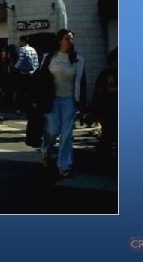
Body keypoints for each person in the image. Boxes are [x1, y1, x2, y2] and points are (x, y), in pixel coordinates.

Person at [36, 28, 86, 178]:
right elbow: (40, 79)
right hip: (52, 99)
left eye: (71, 38)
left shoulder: (78, 60)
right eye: (67, 38)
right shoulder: (50, 57)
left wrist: (81, 105)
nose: (70, 41)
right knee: (52, 131)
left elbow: (82, 83)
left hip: (69, 100)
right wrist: (37, 99)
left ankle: (64, 164)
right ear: (59, 41)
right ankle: (46, 151)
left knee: (67, 134)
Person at [93, 47, 117, 158]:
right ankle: (102, 160)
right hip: (109, 111)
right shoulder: (106, 75)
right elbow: (100, 94)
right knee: (108, 137)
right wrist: (98, 114)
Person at [15, 35, 39, 113]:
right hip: (32, 73)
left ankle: (20, 108)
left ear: (23, 41)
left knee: (21, 91)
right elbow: (36, 61)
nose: (19, 42)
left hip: (23, 73)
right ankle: (30, 107)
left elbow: (20, 60)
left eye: (20, 41)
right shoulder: (33, 49)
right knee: (30, 92)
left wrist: (15, 67)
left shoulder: (22, 49)